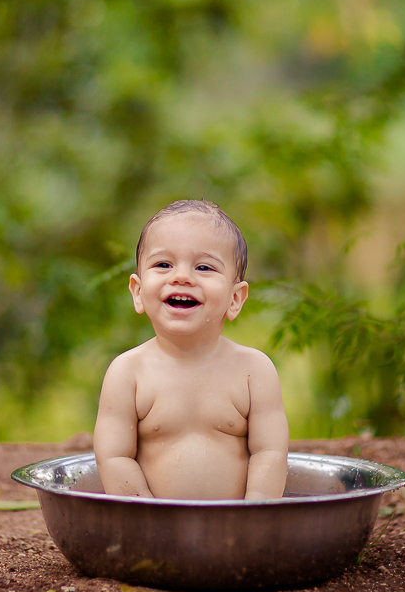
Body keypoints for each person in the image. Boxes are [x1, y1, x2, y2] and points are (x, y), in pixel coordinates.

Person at [93, 200, 288, 500]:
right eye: (163, 264)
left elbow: (270, 453)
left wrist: (254, 518)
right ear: (138, 291)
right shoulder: (128, 373)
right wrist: (147, 518)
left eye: (204, 267)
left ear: (235, 299)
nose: (181, 276)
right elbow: (114, 457)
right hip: (152, 530)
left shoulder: (254, 371)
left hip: (236, 532)